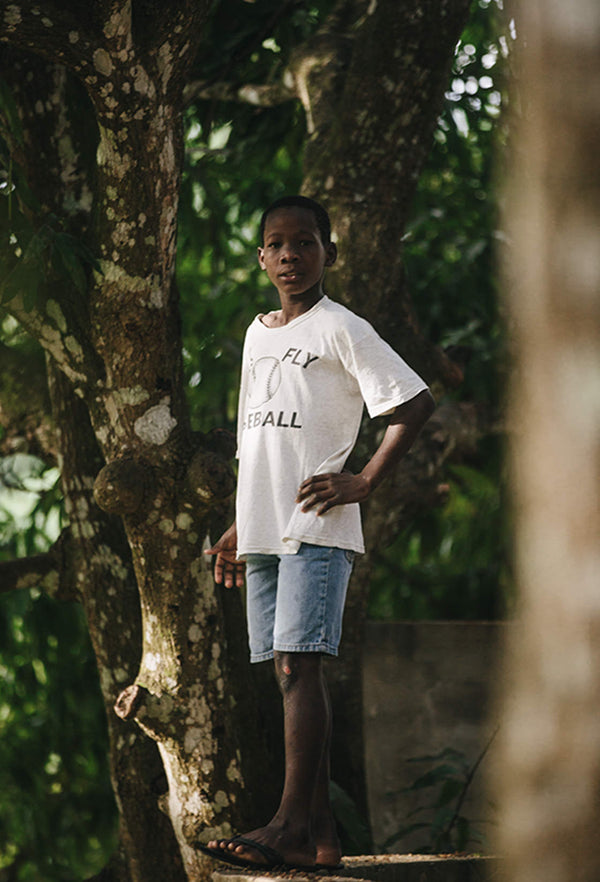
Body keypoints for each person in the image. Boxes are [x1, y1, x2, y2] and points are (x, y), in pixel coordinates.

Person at [199, 195, 435, 871]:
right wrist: (241, 523)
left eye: (304, 243)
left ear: (328, 251)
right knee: (285, 669)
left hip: (317, 524)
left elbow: (414, 403)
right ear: (262, 256)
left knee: (302, 664)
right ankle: (323, 835)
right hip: (266, 528)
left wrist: (363, 481)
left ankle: (287, 825)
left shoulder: (341, 327)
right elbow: (254, 435)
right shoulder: (257, 334)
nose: (290, 256)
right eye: (276, 244)